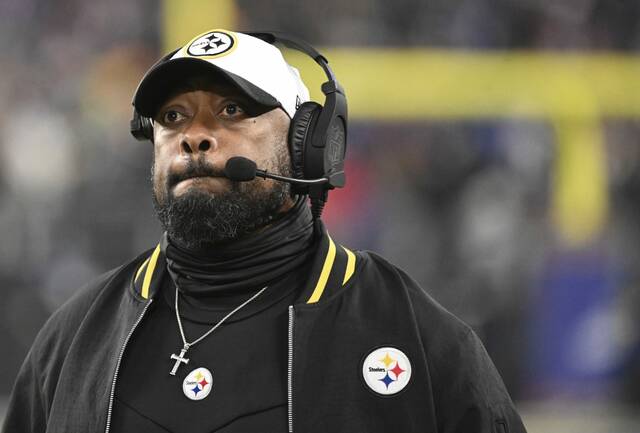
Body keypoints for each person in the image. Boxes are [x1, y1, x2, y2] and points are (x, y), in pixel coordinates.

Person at [2, 29, 527, 433]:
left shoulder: (415, 336)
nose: (196, 138)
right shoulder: (75, 339)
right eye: (173, 115)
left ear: (308, 143)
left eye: (232, 110)